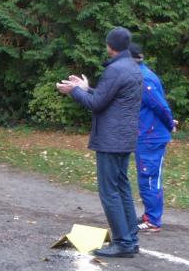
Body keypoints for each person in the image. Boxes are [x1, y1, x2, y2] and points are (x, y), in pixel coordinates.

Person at [56, 27, 143, 258]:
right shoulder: (133, 67)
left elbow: (96, 104)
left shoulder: (115, 69)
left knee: (109, 192)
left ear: (109, 46)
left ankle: (123, 243)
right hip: (124, 138)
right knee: (122, 188)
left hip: (110, 140)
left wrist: (74, 91)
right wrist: (85, 88)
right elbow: (109, 97)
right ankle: (131, 239)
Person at [129, 43, 178, 233]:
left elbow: (160, 105)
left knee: (149, 177)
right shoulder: (140, 75)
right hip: (147, 134)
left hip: (151, 137)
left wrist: (170, 123)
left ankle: (153, 220)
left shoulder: (143, 78)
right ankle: (149, 215)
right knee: (146, 176)